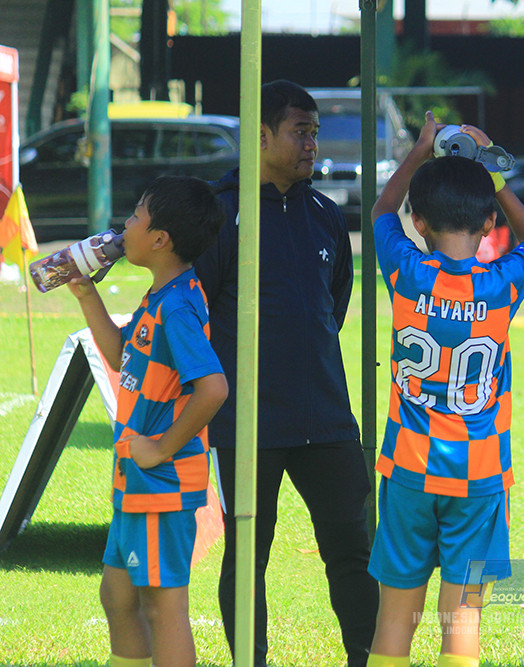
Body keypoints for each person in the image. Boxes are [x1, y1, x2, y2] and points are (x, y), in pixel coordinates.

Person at [194, 79, 378, 667]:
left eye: (314, 133)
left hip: (327, 417)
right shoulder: (221, 214)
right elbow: (195, 313)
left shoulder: (326, 214)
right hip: (247, 423)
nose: (312, 145)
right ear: (262, 135)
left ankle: (367, 658)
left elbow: (333, 305)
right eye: (301, 132)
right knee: (248, 555)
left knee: (354, 549)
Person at [366, 111, 524, 667]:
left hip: (407, 468)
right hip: (480, 475)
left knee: (394, 619)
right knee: (462, 620)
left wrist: (421, 149)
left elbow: (381, 212)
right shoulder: (501, 284)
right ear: (490, 222)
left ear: (419, 222)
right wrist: (493, 171)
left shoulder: (406, 271)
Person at [68, 175, 229, 667]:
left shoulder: (177, 307)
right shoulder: (160, 296)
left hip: (162, 483)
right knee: (117, 597)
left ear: (159, 239)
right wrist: (86, 294)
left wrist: (160, 448)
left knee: (162, 607)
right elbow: (122, 357)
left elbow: (213, 388)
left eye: (136, 215)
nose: (126, 224)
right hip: (136, 480)